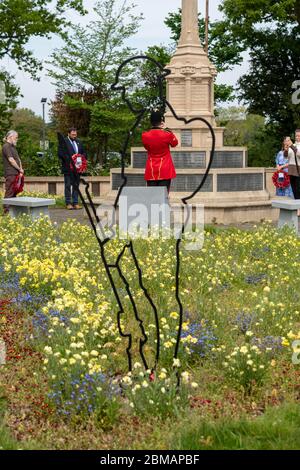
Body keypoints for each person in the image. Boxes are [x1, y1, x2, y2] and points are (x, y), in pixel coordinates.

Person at [142, 111, 178, 194]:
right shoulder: (167, 134)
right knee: (163, 196)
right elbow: (174, 144)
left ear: (151, 122)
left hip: (151, 169)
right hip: (165, 168)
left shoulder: (145, 135)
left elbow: (147, 148)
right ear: (161, 121)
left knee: (152, 196)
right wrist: (168, 132)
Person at [58, 127, 86, 210]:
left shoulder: (79, 142)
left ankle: (75, 202)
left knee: (76, 186)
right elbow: (60, 154)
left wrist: (81, 157)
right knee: (68, 185)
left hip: (77, 169)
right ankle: (68, 203)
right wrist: (71, 158)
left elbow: (84, 152)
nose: (74, 136)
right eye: (73, 134)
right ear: (69, 134)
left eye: (75, 134)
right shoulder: (64, 142)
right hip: (68, 168)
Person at [2, 130, 24, 214]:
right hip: (10, 173)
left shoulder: (13, 147)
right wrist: (19, 169)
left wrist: (21, 171)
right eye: (16, 137)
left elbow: (18, 159)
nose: (17, 139)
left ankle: (13, 212)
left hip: (16, 173)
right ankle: (6, 212)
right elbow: (11, 160)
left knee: (14, 193)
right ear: (10, 137)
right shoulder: (6, 146)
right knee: (9, 192)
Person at [286, 134, 300, 199]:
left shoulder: (293, 146)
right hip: (291, 170)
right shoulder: (293, 145)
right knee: (294, 191)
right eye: (296, 136)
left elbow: (298, 154)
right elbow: (287, 156)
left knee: (298, 191)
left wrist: (291, 146)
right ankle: (297, 208)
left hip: (298, 170)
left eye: (299, 136)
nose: (297, 137)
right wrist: (286, 148)